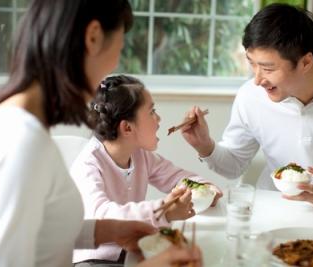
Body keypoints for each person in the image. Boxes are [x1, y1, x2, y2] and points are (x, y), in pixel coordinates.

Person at [0, 1, 201, 267]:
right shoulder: (22, 142)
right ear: (92, 37)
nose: (112, 69)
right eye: (119, 49)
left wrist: (109, 230)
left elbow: (38, 232)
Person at [181, 3, 313, 206]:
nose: (257, 79)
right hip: (272, 211)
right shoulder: (251, 96)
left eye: (268, 68)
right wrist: (205, 146)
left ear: (305, 62)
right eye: (252, 63)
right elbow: (233, 166)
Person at [71, 74, 222, 265]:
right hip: (93, 260)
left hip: (130, 253)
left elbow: (177, 178)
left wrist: (204, 188)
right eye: (152, 111)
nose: (159, 119)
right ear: (127, 128)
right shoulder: (88, 165)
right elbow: (103, 215)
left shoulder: (140, 155)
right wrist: (164, 211)